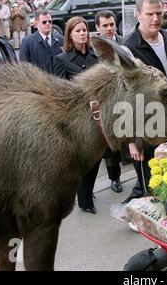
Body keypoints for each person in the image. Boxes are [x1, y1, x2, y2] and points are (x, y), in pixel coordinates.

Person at [52, 17, 123, 214]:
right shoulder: (61, 60)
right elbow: (59, 93)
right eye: (77, 31)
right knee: (84, 163)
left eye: (84, 30)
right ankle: (84, 200)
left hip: (101, 117)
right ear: (70, 35)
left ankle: (103, 185)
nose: (82, 33)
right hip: (79, 121)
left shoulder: (96, 56)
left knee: (102, 156)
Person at [122, 0, 167, 203]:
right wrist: (131, 140)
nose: (156, 19)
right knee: (149, 182)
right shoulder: (129, 48)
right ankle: (140, 217)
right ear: (138, 15)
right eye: (149, 14)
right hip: (145, 126)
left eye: (159, 13)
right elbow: (124, 96)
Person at [19, 10, 64, 74]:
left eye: (50, 21)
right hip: (38, 82)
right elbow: (24, 66)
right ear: (36, 23)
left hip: (58, 81)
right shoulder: (27, 42)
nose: (48, 24)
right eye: (44, 22)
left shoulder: (61, 39)